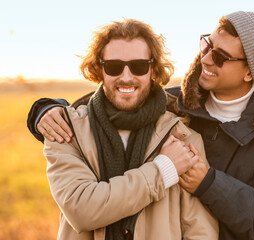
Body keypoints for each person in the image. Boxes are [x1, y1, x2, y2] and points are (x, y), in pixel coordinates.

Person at [27, 11, 254, 240]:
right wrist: (46, 109)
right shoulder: (175, 104)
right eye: (207, 44)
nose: (206, 58)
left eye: (221, 56)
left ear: (251, 72)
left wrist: (209, 184)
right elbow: (114, 99)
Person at [37, 18, 218, 240]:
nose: (126, 77)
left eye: (138, 66)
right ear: (99, 69)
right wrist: (163, 170)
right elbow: (81, 210)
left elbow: (200, 232)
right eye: (113, 66)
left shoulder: (182, 137)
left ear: (153, 70)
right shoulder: (65, 131)